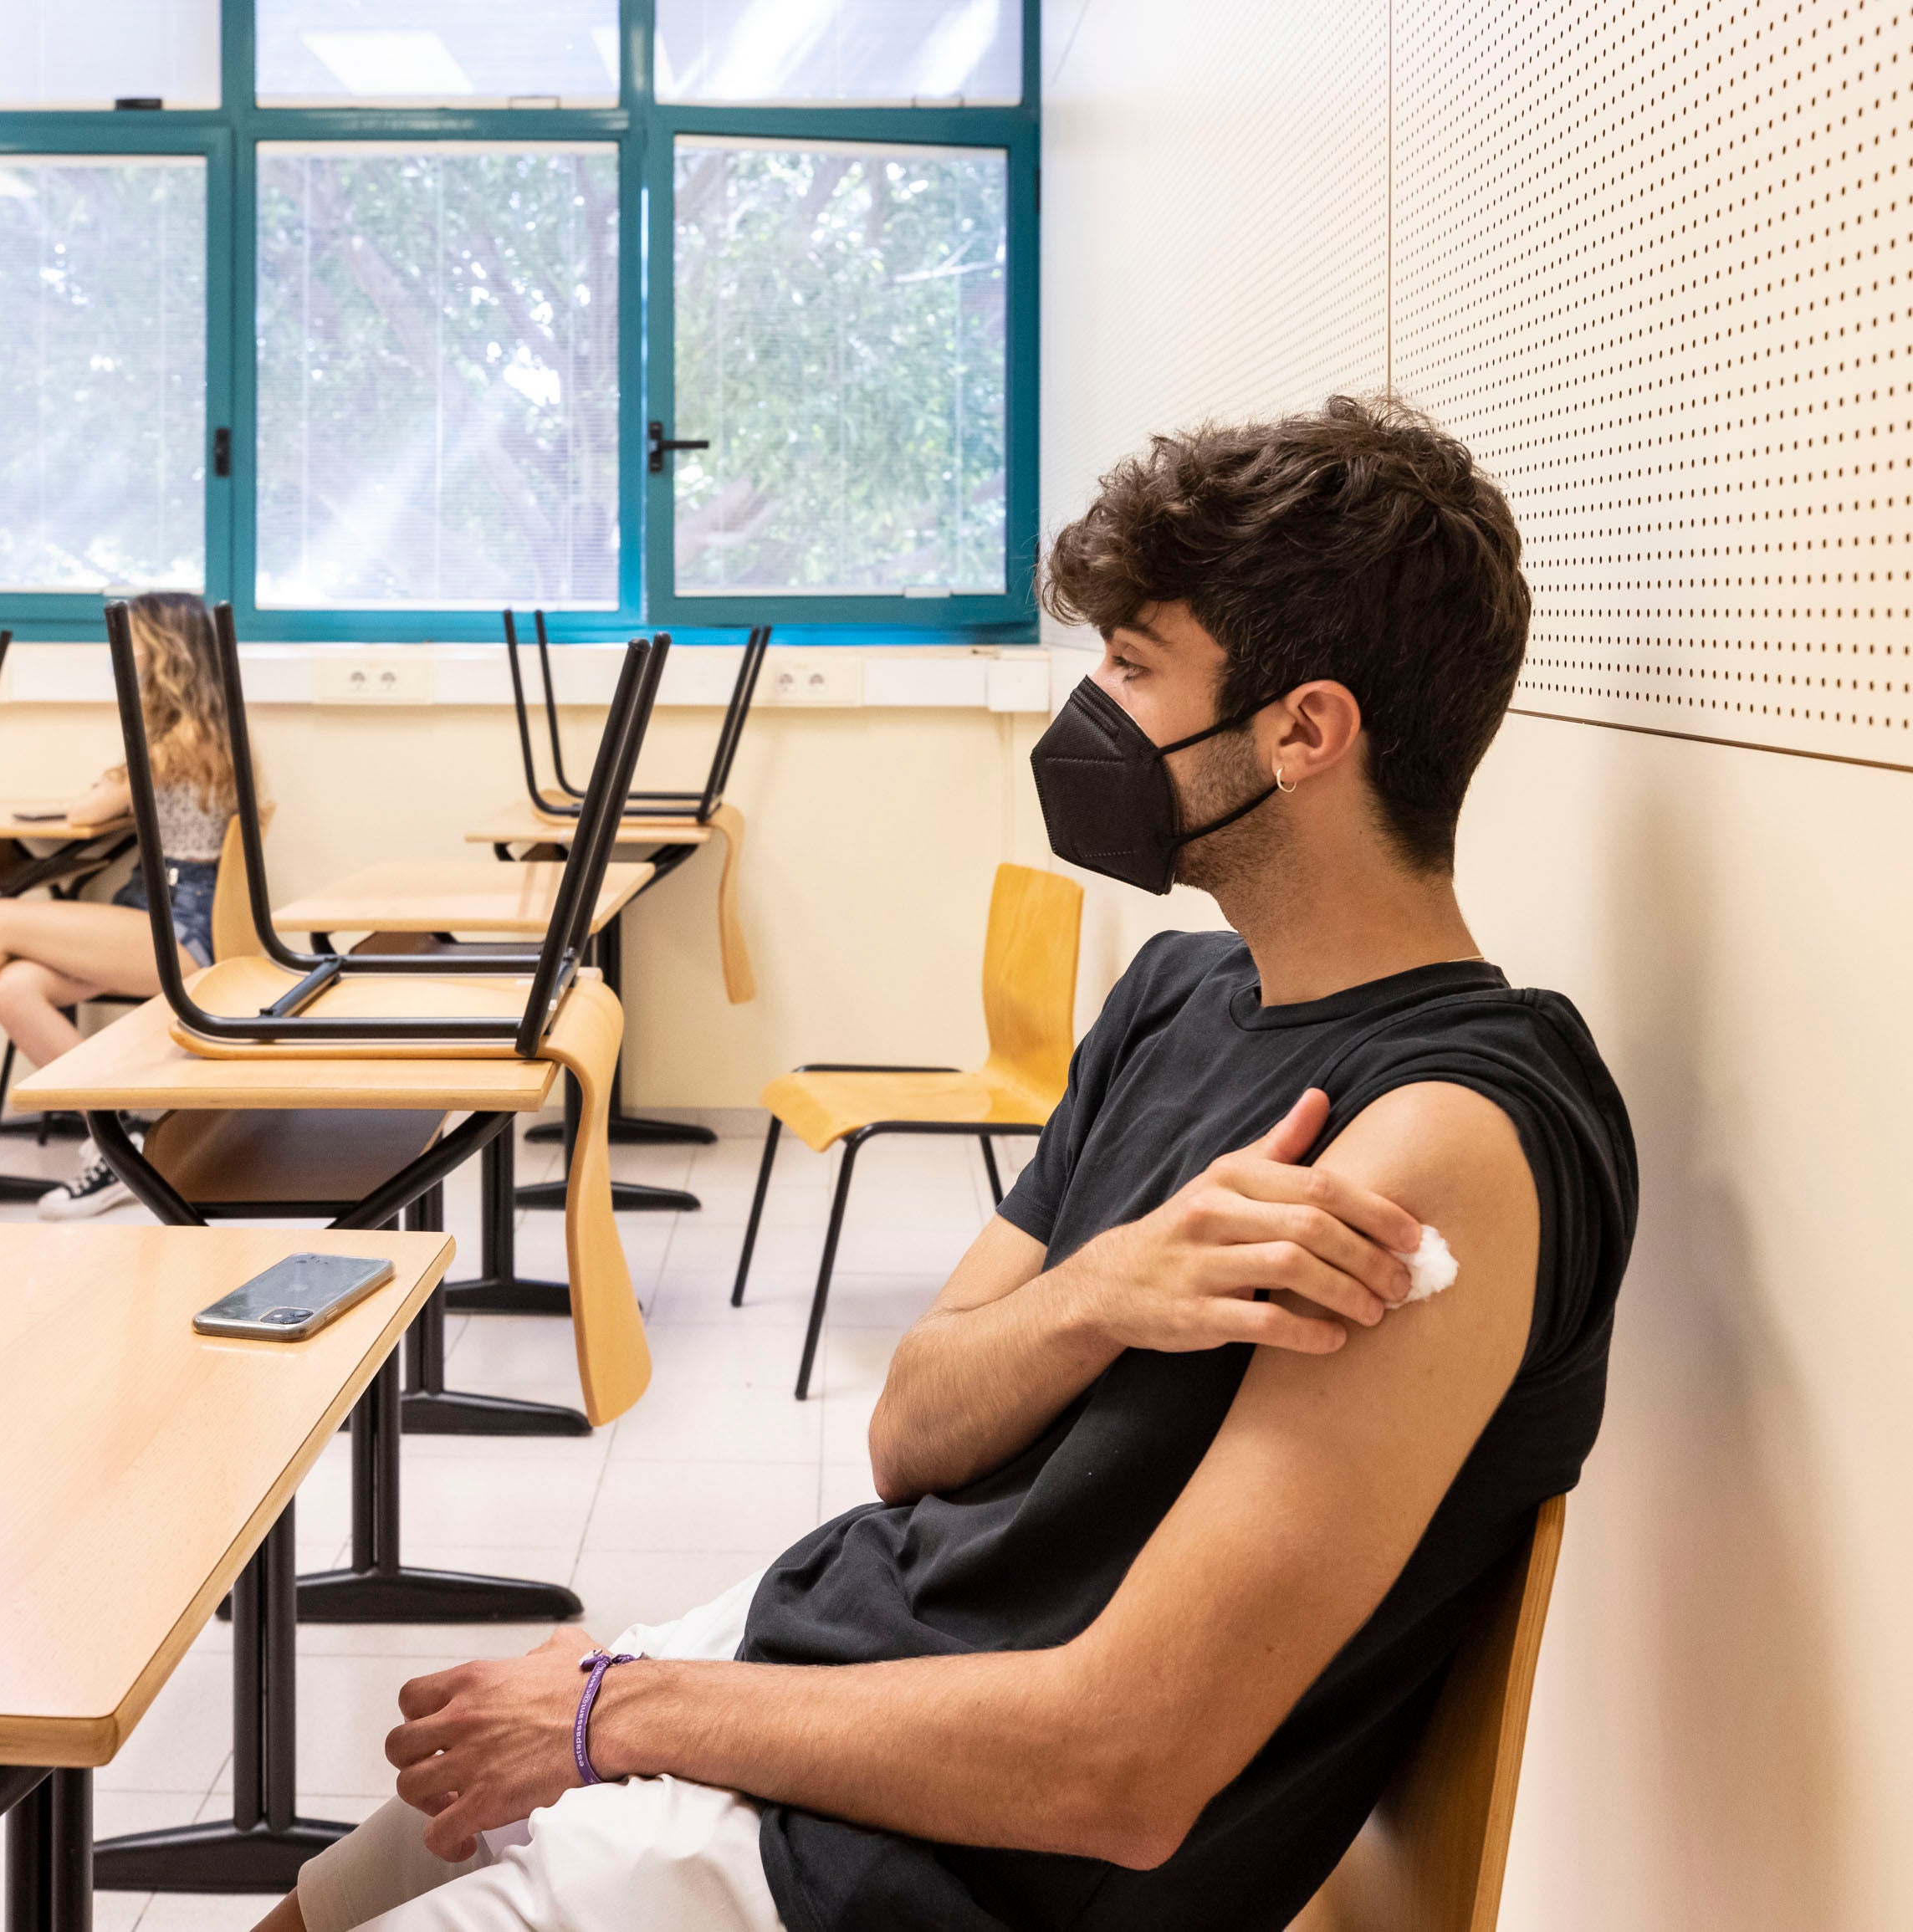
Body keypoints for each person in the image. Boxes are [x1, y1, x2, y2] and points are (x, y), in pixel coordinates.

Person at [263, 397, 1638, 1932]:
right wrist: (1099, 1289)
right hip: (827, 1669)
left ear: (1302, 732)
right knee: (350, 1873)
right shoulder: (1177, 996)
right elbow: (908, 1432)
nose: (1090, 710)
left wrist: (608, 1713)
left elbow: (1121, 1768)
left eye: (1132, 668)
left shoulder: (1439, 1136)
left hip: (910, 1869)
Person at [0, 590, 259, 1218]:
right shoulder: (187, 733)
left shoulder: (187, 736)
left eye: (136, 643)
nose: (125, 654)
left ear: (168, 651)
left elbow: (89, 807)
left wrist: (117, 770)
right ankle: (118, 1141)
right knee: (12, 988)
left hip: (184, 932)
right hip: (155, 916)